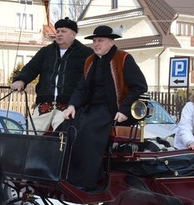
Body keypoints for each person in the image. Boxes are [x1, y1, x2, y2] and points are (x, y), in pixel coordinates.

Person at [62, 25, 148, 191]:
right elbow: (81, 87)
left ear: (111, 42)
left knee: (88, 131)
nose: (96, 44)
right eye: (94, 41)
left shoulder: (123, 58)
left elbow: (139, 87)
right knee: (66, 128)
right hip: (89, 108)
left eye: (100, 41)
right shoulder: (90, 61)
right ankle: (66, 176)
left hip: (112, 110)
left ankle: (87, 181)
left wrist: (124, 110)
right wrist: (72, 105)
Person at [10, 17, 92, 133]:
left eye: (63, 31)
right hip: (44, 104)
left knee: (62, 135)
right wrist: (21, 80)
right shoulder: (46, 51)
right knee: (30, 134)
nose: (59, 34)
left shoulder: (86, 53)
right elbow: (32, 67)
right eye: (57, 31)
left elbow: (90, 79)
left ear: (73, 34)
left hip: (68, 105)